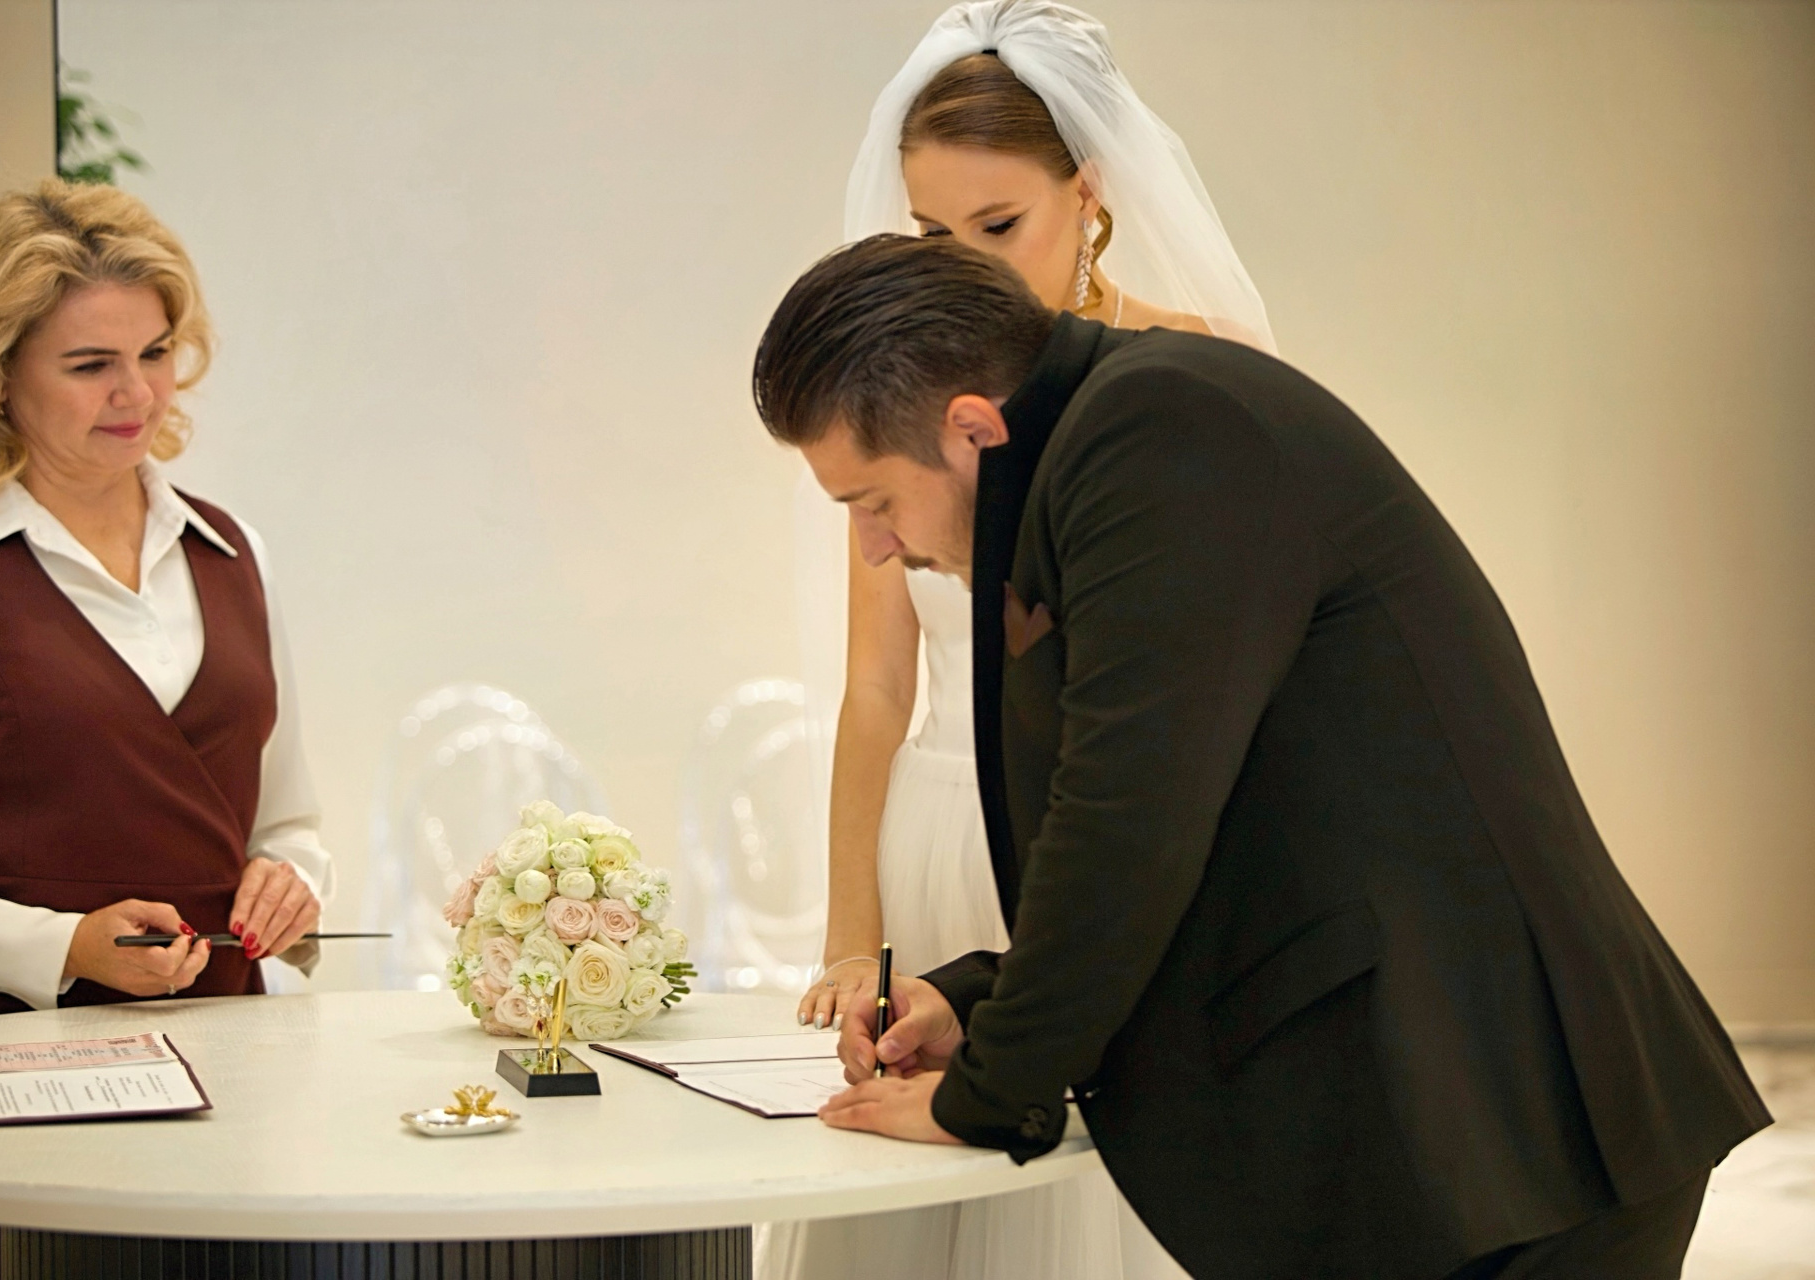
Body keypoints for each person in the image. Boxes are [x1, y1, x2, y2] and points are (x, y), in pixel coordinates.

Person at [755, 233, 1771, 1279]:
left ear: (971, 427)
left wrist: (989, 1090)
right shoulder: (1109, 440)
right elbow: (1224, 820)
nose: (876, 546)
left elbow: (1128, 820)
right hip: (1435, 1123)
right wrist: (976, 1000)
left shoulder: (1158, 428)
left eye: (872, 501)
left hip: (1502, 1116)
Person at [780, 5, 1265, 1274]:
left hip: (1101, 829)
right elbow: (876, 685)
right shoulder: (901, 405)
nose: (971, 271)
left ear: (1088, 194)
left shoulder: (1187, 374)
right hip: (941, 830)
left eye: (1000, 226)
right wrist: (852, 930)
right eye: (934, 236)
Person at [0, 179, 334, 1278]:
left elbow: (290, 820)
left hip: (229, 1084)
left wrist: (293, 880)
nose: (135, 392)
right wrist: (60, 948)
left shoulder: (233, 550)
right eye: (90, 364)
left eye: (155, 352)